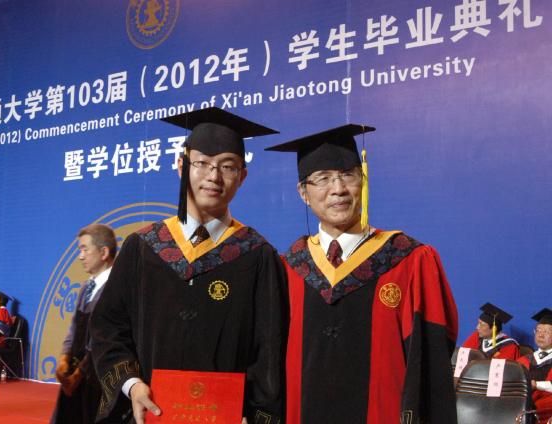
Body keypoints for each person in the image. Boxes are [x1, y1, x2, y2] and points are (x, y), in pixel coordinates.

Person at [90, 108, 288, 424]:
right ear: (181, 166)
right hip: (149, 414)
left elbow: (270, 352)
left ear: (242, 176)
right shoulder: (142, 248)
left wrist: (253, 414)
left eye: (228, 166)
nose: (214, 176)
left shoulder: (257, 255)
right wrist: (132, 384)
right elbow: (107, 327)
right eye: (202, 163)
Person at [266, 125, 459, 424]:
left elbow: (431, 358)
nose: (338, 189)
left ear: (363, 180)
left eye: (348, 175)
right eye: (323, 179)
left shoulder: (408, 260)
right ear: (303, 193)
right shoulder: (287, 268)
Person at [52, 224, 120, 423]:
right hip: (75, 375)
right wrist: (64, 359)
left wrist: (79, 374)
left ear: (104, 252)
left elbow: (102, 339)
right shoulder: (86, 287)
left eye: (84, 249)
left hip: (99, 377)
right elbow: (74, 327)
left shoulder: (115, 289)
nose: (80, 257)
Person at [517, 308, 552, 424]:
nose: (540, 335)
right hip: (521, 410)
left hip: (546, 413)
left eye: (546, 332)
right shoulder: (523, 360)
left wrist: (536, 385)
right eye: (538, 330)